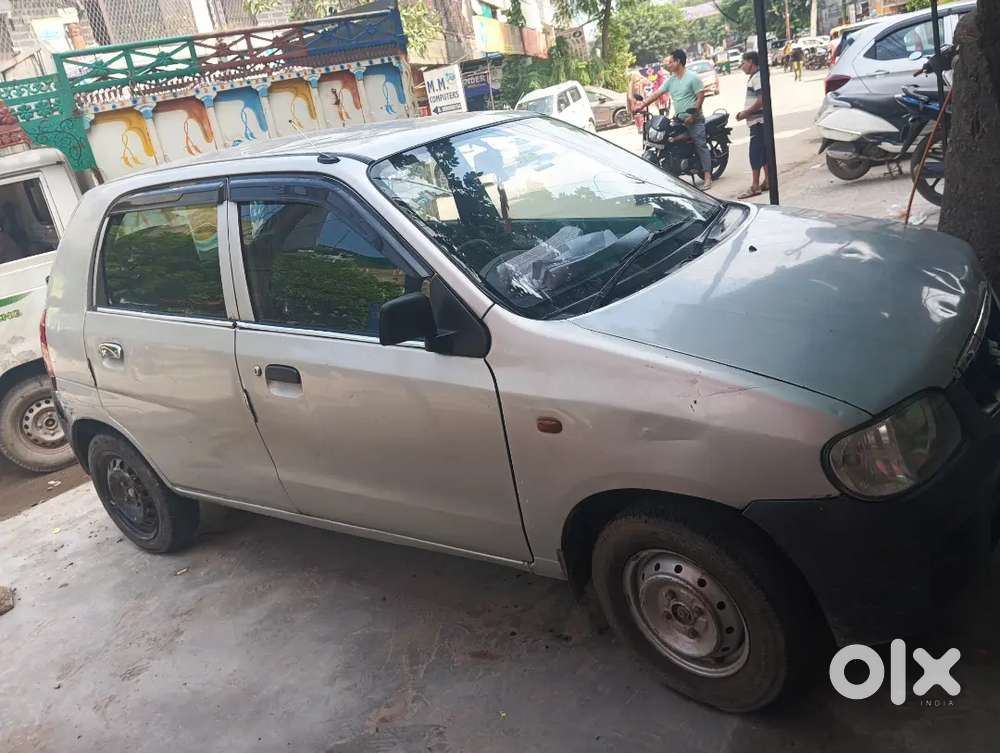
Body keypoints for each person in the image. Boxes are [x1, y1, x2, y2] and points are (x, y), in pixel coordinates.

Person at [636, 48, 713, 190]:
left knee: (700, 145)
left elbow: (700, 97)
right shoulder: (670, 80)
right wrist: (641, 106)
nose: (668, 65)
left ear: (678, 62)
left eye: (671, 62)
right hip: (678, 119)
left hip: (694, 120)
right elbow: (656, 94)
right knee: (668, 142)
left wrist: (693, 115)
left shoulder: (692, 77)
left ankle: (707, 176)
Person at [735, 51, 769, 199]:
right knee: (763, 152)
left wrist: (745, 113)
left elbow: (761, 100)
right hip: (758, 121)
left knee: (755, 153)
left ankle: (755, 186)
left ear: (750, 62)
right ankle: (768, 180)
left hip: (758, 122)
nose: (742, 67)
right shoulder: (756, 77)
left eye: (743, 63)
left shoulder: (757, 78)